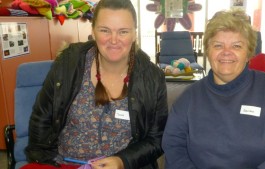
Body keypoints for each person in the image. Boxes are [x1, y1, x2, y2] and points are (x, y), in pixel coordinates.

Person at [23, 0, 168, 169]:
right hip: (67, 164)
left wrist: (122, 161)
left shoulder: (153, 78)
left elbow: (156, 138)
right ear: (93, 31)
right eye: (105, 30)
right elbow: (41, 120)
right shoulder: (68, 64)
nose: (114, 40)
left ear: (134, 33)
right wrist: (48, 163)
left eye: (123, 31)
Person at [162, 8, 265, 169]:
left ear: (248, 53)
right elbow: (173, 145)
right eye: (218, 45)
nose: (226, 53)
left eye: (236, 46)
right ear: (208, 51)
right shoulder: (189, 98)